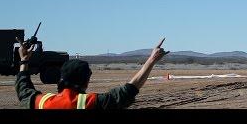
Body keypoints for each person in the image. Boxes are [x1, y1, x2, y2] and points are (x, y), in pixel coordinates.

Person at [15, 37, 169, 109]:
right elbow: (128, 90)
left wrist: (24, 61)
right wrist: (151, 60)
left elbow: (24, 90)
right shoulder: (90, 103)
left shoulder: (42, 102)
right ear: (85, 81)